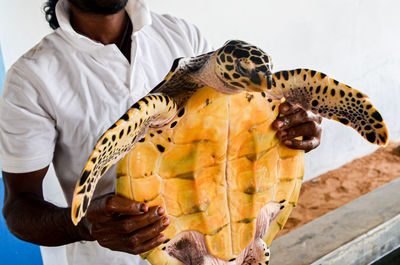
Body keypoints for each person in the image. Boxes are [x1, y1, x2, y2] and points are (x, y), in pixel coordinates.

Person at [0, 0, 322, 264]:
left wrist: (290, 128)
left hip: (224, 248)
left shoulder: (182, 36)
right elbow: (19, 208)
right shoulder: (31, 78)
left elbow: (234, 129)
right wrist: (86, 226)